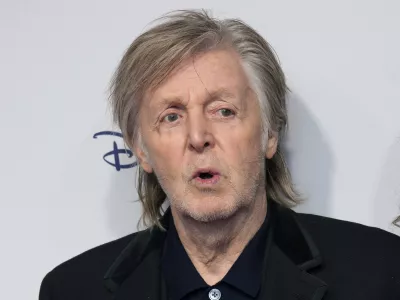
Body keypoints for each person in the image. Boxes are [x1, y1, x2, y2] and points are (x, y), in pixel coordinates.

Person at [39, 9, 400, 300]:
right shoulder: (70, 290)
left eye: (223, 110)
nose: (198, 137)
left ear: (269, 134)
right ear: (141, 150)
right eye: (172, 116)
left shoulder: (380, 272)